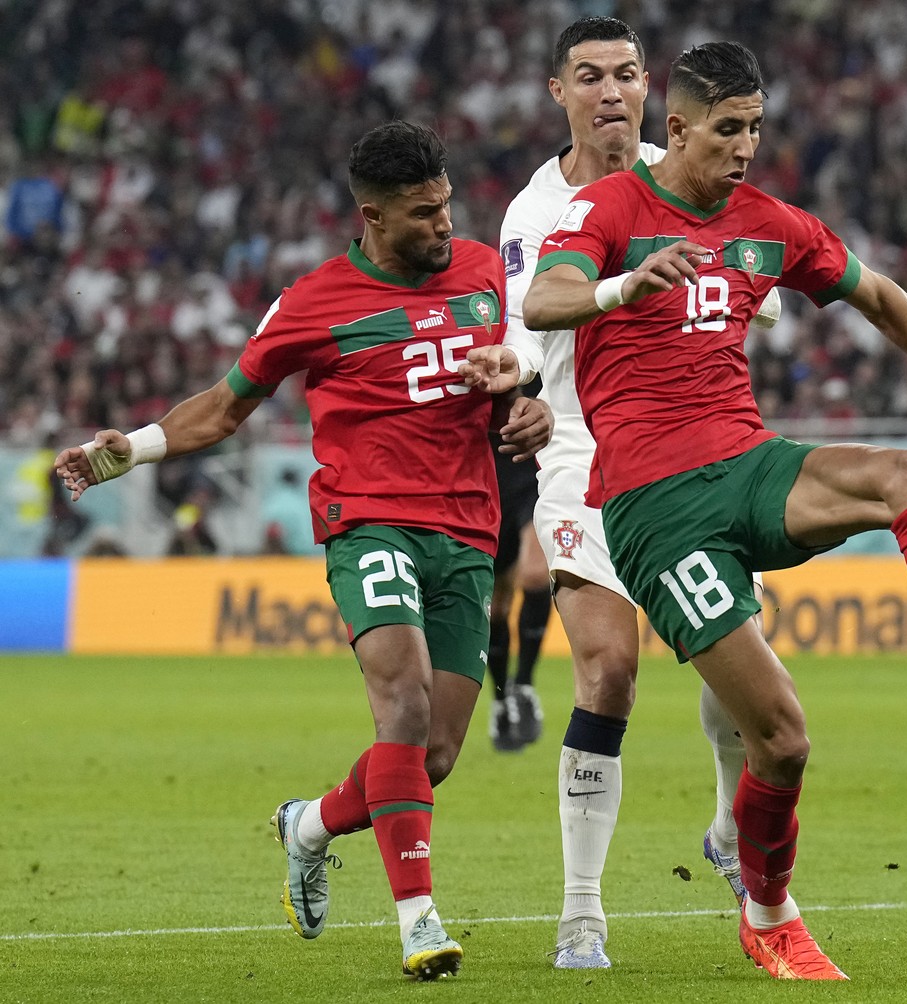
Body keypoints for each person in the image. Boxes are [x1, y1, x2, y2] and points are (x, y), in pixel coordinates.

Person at [477, 41, 907, 980]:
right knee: (779, 736)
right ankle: (769, 911)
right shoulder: (613, 207)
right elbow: (544, 297)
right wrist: (626, 284)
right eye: (728, 129)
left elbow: (878, 295)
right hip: (655, 509)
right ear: (680, 129)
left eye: (756, 128)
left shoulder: (767, 221)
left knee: (902, 472)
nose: (745, 147)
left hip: (747, 464)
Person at [54, 120, 552, 980]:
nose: (443, 225)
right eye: (422, 214)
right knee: (401, 702)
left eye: (445, 206)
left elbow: (523, 371)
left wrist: (530, 400)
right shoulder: (314, 302)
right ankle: (419, 920)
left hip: (469, 532)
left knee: (433, 755)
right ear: (371, 217)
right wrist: (125, 451)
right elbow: (222, 406)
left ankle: (311, 824)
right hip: (370, 520)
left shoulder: (480, 272)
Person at [483, 17, 765, 969]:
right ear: (556, 92)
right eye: (591, 76)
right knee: (609, 670)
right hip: (580, 457)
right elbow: (528, 328)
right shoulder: (534, 214)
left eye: (629, 74)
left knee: (735, 675)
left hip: (690, 458)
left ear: (655, 92)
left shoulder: (686, 171)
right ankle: (582, 911)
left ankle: (727, 829)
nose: (613, 91)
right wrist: (515, 391)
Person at [486, 397, 552, 753]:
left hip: (534, 472)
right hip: (489, 477)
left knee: (536, 573)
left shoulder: (543, 344)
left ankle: (524, 685)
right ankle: (500, 699)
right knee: (496, 605)